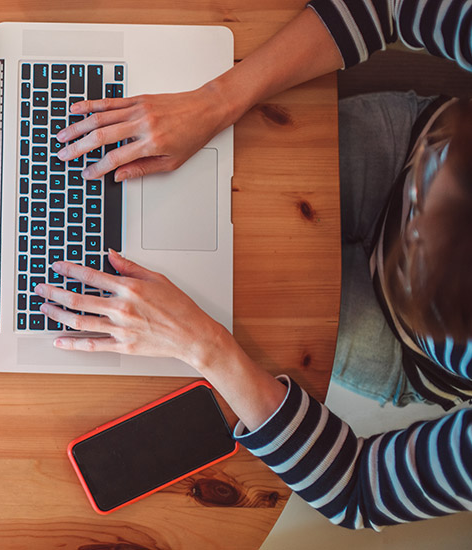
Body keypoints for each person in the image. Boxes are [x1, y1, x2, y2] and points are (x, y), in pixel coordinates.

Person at [37, 0, 472, 530]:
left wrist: (203, 344)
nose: (417, 220)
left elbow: (361, 490)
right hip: (408, 151)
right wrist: (216, 101)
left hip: (400, 338)